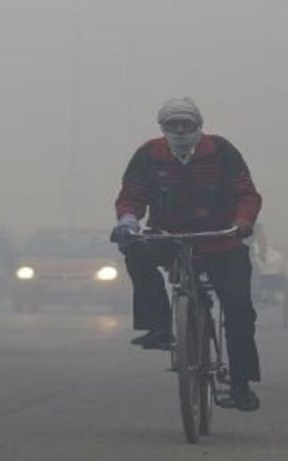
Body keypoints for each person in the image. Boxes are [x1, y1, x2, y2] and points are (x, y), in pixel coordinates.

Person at [112, 97, 263, 411]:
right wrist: (128, 221)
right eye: (172, 125)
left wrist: (242, 222)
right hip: (171, 238)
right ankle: (160, 326)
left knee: (239, 311)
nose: (180, 131)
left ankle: (240, 384)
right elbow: (132, 194)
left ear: (199, 126)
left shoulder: (221, 151)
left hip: (220, 240)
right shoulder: (148, 155)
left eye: (186, 124)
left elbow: (246, 193)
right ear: (162, 128)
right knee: (135, 253)